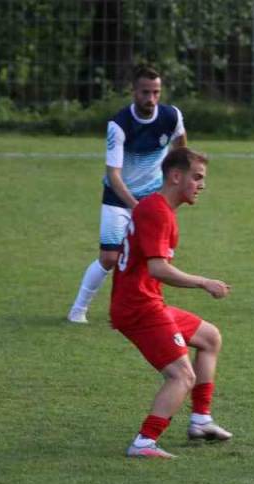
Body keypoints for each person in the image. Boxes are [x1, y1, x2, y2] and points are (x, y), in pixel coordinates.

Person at [111, 148, 232, 459]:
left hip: (146, 301)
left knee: (209, 337)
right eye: (197, 177)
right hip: (139, 308)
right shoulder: (158, 212)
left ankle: (201, 421)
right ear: (176, 176)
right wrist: (204, 282)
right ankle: (144, 442)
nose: (201, 185)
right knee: (182, 376)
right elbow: (158, 268)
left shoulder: (158, 208)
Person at [67, 66, 187, 324]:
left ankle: (148, 308)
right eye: (145, 92)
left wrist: (176, 184)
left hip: (154, 197)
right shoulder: (119, 125)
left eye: (156, 92)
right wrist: (136, 206)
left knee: (155, 257)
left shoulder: (171, 116)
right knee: (110, 257)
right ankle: (78, 309)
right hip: (119, 198)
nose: (151, 99)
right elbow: (114, 175)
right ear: (134, 91)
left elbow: (180, 151)